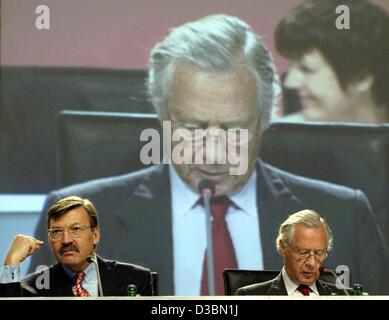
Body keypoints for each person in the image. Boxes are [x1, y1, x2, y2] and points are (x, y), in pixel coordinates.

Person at [29, 14, 389, 295]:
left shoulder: (346, 216)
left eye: (234, 128)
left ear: (266, 118)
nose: (214, 153)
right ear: (162, 112)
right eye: (193, 127)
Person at [0, 196, 152, 297]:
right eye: (57, 232)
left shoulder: (135, 279)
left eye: (76, 229)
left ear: (95, 235)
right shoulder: (34, 287)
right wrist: (11, 263)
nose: (66, 240)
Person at [275, 0, 389, 123]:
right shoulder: (274, 137)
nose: (290, 83)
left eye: (306, 69)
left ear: (361, 78)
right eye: (291, 66)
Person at [236, 210, 352, 296]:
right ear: (282, 247)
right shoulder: (251, 296)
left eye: (318, 253)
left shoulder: (345, 296)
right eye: (303, 252)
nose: (311, 263)